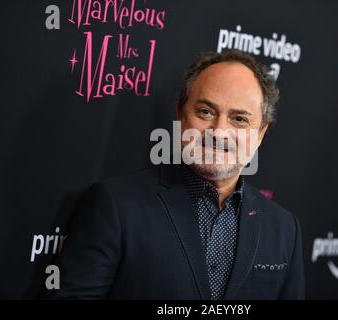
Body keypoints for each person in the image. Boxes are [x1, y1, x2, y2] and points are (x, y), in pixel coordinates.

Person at [50, 49, 305, 299]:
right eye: (205, 112)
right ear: (180, 115)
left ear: (260, 133)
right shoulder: (115, 207)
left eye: (239, 119)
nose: (218, 132)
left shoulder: (284, 229)